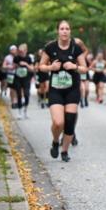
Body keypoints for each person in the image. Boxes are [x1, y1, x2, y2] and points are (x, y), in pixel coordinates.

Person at [41, 21, 87, 162]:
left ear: (70, 31)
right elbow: (41, 66)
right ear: (58, 31)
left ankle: (65, 151)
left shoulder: (76, 48)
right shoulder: (50, 47)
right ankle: (55, 141)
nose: (65, 31)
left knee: (69, 121)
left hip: (72, 89)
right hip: (56, 90)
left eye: (67, 29)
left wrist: (74, 66)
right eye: (62, 29)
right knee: (58, 122)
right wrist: (50, 68)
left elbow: (84, 68)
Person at [13, 43, 34, 119]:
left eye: (22, 51)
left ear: (26, 51)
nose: (21, 53)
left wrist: (26, 64)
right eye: (20, 51)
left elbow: (32, 69)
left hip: (26, 78)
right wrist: (17, 65)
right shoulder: (16, 58)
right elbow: (13, 67)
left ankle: (25, 111)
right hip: (18, 77)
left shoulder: (29, 58)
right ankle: (19, 112)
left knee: (26, 94)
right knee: (19, 94)